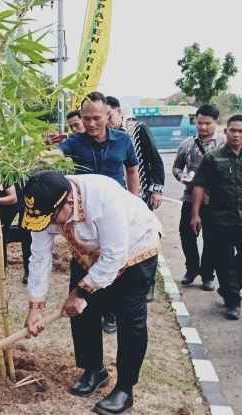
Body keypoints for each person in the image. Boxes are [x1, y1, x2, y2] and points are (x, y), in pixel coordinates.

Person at [23, 171, 161, 415]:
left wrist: (82, 292)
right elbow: (39, 256)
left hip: (134, 249)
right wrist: (36, 306)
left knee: (130, 319)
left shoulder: (103, 199)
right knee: (81, 313)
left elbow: (114, 256)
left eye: (52, 218)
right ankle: (94, 370)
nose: (49, 225)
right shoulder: (44, 204)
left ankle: (125, 388)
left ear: (69, 203)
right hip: (89, 251)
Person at [58, 92, 140, 334]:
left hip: (117, 214)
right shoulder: (74, 142)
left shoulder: (123, 140)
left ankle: (111, 313)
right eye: (86, 118)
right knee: (85, 263)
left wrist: (134, 200)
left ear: (108, 115)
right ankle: (89, 315)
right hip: (85, 216)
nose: (91, 124)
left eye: (96, 118)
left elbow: (132, 170)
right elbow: (54, 157)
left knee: (115, 263)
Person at [190, 114, 242, 320]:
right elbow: (199, 186)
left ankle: (228, 288)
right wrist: (195, 214)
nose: (236, 134)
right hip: (218, 219)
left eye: (241, 131)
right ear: (225, 132)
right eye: (232, 130)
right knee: (223, 261)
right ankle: (233, 301)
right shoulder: (213, 157)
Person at [173, 104, 222, 290]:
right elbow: (176, 167)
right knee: (187, 235)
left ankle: (208, 274)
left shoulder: (223, 144)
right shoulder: (187, 144)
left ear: (215, 123)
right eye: (199, 123)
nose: (202, 127)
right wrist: (182, 178)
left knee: (212, 238)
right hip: (190, 197)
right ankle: (191, 269)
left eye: (207, 124)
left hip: (215, 200)